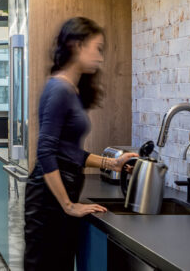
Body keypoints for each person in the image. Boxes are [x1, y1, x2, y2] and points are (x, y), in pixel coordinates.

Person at [24, 17, 138, 271]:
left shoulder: (71, 90)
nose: (100, 57)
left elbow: (70, 152)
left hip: (59, 196)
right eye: (96, 48)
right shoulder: (59, 89)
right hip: (49, 202)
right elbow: (46, 151)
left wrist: (113, 163)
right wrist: (68, 205)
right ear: (77, 46)